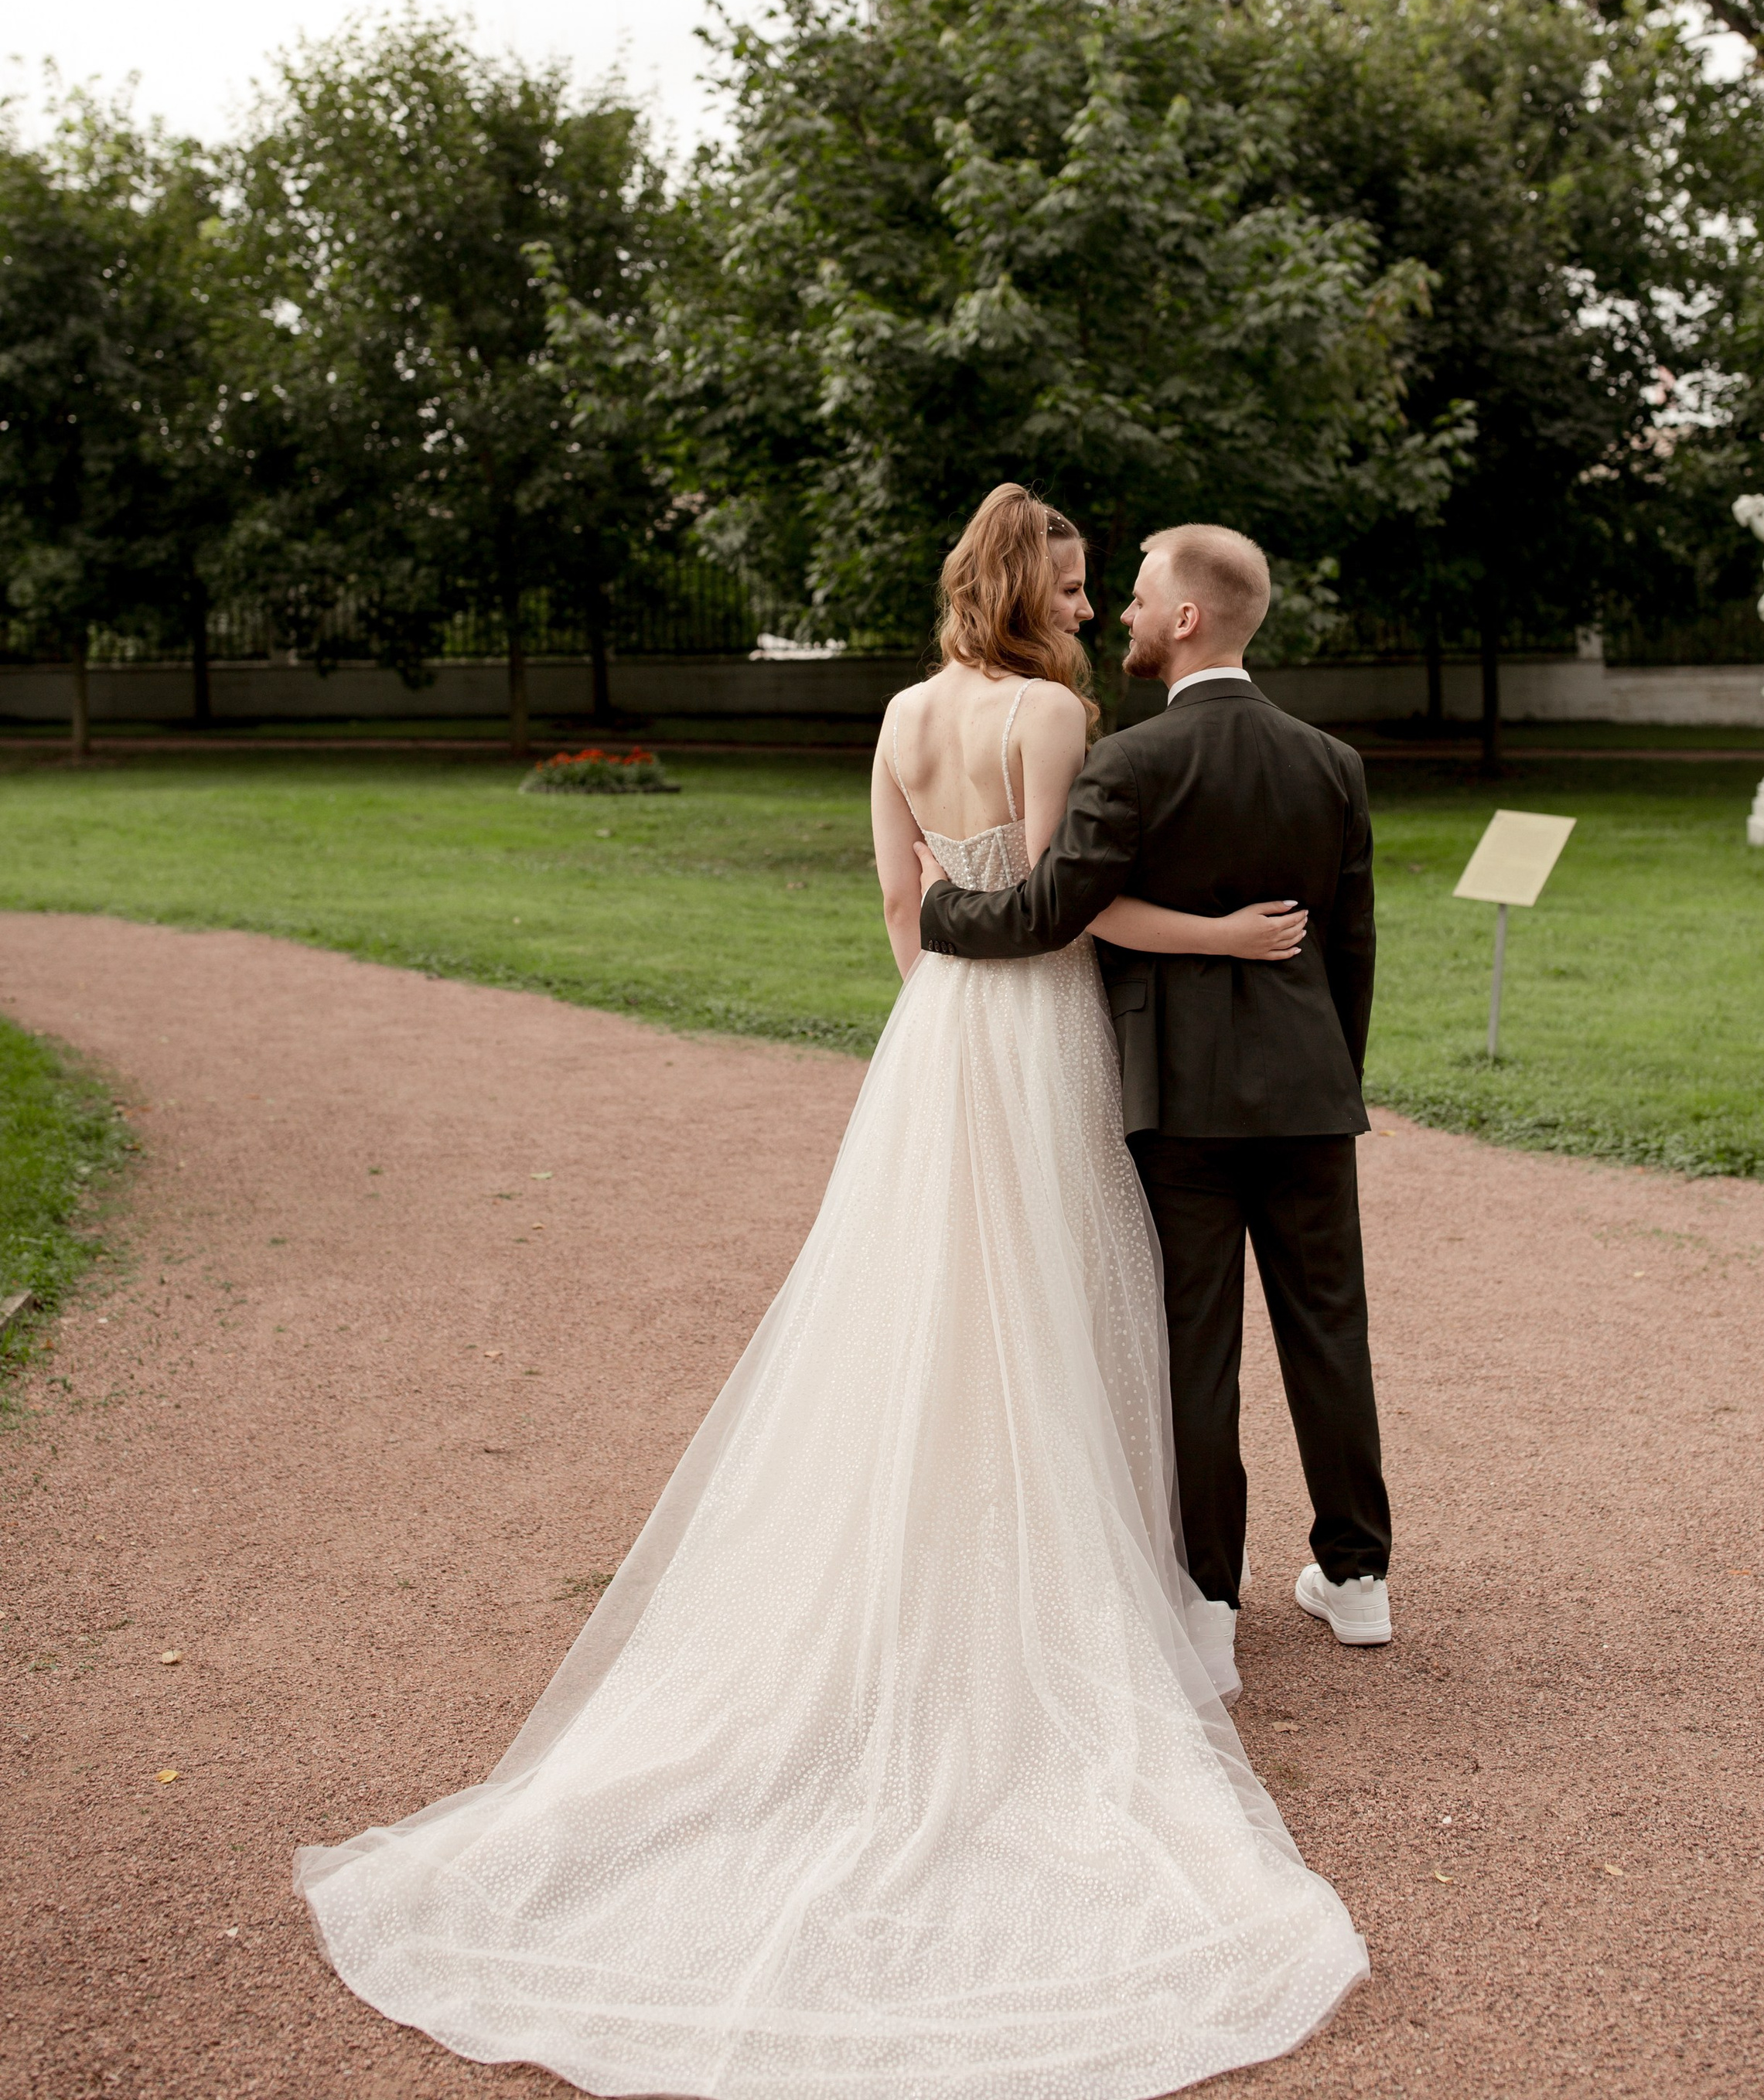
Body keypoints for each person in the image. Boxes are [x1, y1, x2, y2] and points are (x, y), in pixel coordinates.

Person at [295, 483, 1367, 2100]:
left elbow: (903, 913)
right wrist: (1218, 940)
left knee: (925, 1307)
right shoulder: (1049, 717)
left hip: (932, 1038)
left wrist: (942, 1027)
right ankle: (1102, 1575)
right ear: (1028, 593)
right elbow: (1065, 912)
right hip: (1041, 1031)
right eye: (1076, 585)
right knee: (1060, 1306)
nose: (1091, 609)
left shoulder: (899, 716)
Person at [917, 520, 1394, 1653]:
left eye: (1137, 596)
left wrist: (942, 906)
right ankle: (1359, 1577)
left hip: (1179, 1100)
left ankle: (1208, 1603)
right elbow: (1351, 952)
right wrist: (1330, 1076)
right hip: (1310, 1097)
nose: (1120, 614)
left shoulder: (1130, 762)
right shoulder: (1331, 763)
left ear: (1186, 618)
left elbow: (1048, 913)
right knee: (1330, 1332)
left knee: (1196, 1350)